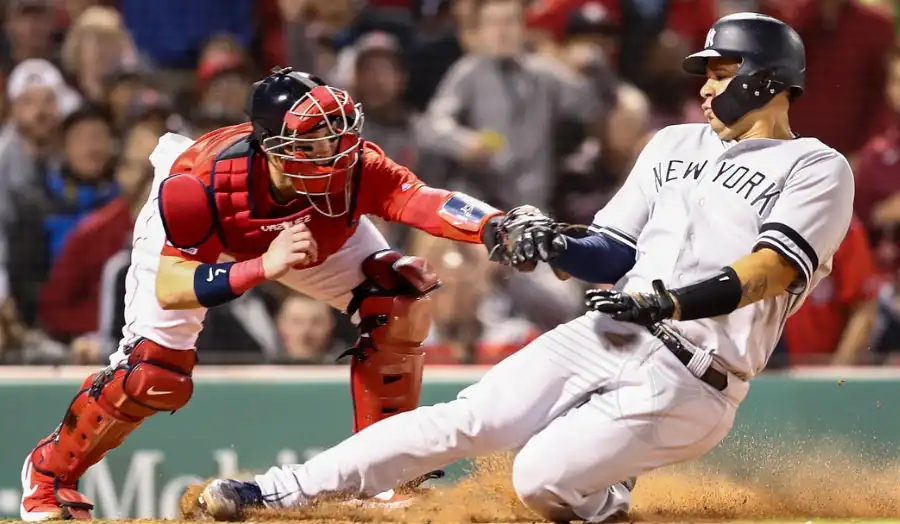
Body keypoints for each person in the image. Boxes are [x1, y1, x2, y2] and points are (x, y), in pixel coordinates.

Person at [193, 13, 854, 523]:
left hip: (697, 375)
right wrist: (552, 243)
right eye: (705, 73)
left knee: (538, 479)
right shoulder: (674, 142)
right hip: (613, 330)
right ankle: (276, 492)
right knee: (464, 419)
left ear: (766, 78)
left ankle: (604, 494)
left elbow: (771, 270)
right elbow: (614, 249)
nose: (706, 86)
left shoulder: (817, 167)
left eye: (720, 71)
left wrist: (667, 303)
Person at [20, 67, 510, 521]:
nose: (334, 150)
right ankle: (48, 475)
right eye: (313, 140)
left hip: (311, 231)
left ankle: (386, 474)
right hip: (219, 236)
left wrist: (497, 225)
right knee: (155, 373)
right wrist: (261, 267)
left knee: (396, 296)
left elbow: (420, 199)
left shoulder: (355, 165)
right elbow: (172, 288)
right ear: (273, 146)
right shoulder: (199, 181)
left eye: (335, 133)